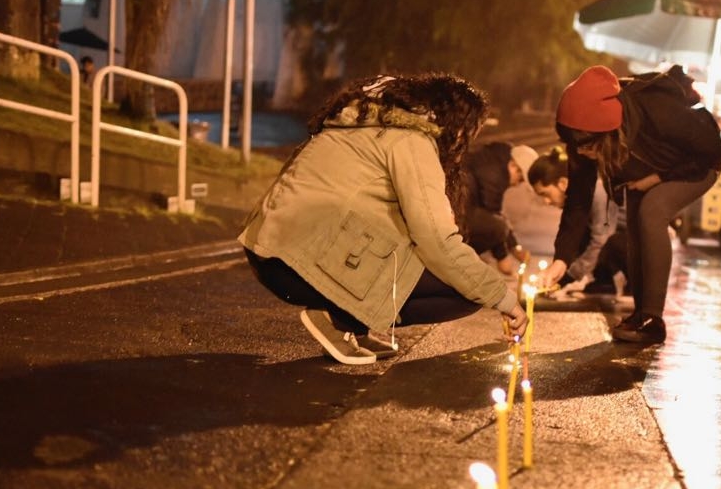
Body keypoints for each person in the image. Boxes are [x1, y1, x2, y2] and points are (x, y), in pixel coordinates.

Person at [239, 73, 528, 365]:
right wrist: (502, 297)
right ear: (456, 124)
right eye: (468, 132)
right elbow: (437, 239)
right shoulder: (411, 140)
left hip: (267, 251)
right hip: (297, 263)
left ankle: (353, 325)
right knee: (464, 291)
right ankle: (340, 319)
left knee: (406, 246)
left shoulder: (368, 121)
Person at [540, 65, 721, 344]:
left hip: (694, 167)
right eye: (573, 146)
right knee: (637, 228)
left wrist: (658, 177)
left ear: (607, 132)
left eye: (586, 146)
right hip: (643, 172)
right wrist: (561, 260)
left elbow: (711, 150)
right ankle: (641, 315)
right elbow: (578, 200)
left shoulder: (658, 110)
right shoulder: (581, 136)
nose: (580, 153)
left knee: (652, 212)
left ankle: (653, 319)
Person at [527, 147, 628, 295]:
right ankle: (603, 282)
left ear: (562, 183)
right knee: (580, 232)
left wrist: (568, 277)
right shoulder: (580, 196)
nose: (546, 201)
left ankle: (637, 288)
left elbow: (601, 240)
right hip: (618, 236)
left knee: (607, 241)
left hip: (636, 244)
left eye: (545, 194)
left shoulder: (597, 192)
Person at [462, 141, 538, 274]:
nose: (517, 185)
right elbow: (494, 221)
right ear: (514, 167)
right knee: (496, 226)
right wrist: (502, 257)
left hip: (460, 208)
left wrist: (514, 247)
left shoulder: (495, 161)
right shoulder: (494, 174)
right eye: (520, 179)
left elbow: (495, 212)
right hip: (456, 213)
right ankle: (463, 260)